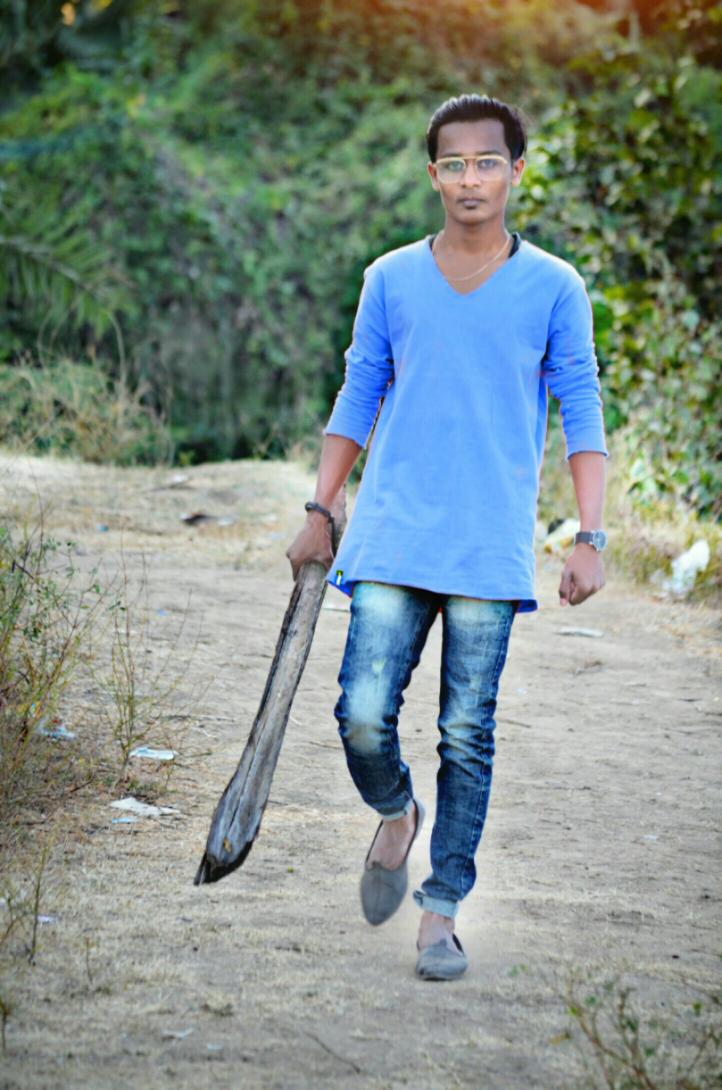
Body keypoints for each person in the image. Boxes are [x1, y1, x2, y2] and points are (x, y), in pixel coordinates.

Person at [286, 93, 608, 981]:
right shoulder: (391, 278)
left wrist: (591, 535)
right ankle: (397, 812)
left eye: (488, 162)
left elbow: (582, 409)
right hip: (393, 533)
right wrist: (320, 507)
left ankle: (441, 911)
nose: (472, 179)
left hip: (487, 547)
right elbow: (360, 391)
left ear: (516, 171)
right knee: (361, 713)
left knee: (467, 730)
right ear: (434, 175)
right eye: (455, 164)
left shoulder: (554, 286)